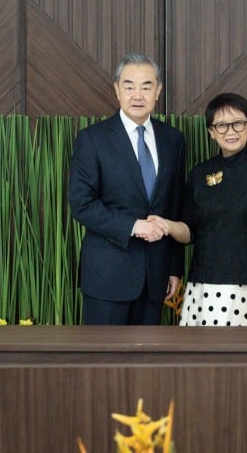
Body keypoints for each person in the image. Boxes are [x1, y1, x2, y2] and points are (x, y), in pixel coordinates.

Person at [151, 93, 247, 326]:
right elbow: (189, 232)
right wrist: (167, 225)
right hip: (204, 289)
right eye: (222, 125)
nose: (230, 131)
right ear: (211, 132)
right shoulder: (199, 174)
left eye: (238, 123)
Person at [68, 52, 187, 325]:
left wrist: (174, 268)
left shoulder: (173, 140)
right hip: (107, 278)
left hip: (155, 278)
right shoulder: (92, 139)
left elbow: (175, 206)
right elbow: (82, 204)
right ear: (117, 90)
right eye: (129, 86)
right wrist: (134, 226)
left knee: (147, 353)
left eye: (146, 86)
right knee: (104, 353)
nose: (137, 95)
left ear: (158, 90)